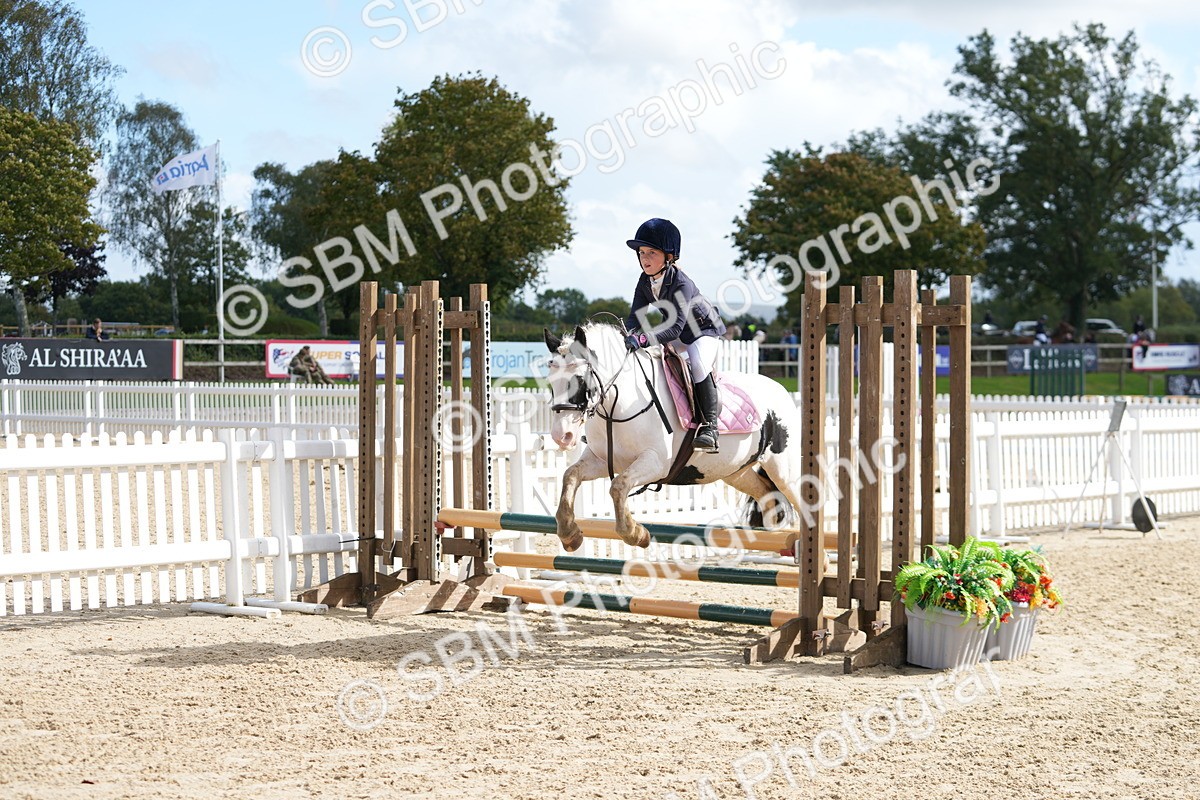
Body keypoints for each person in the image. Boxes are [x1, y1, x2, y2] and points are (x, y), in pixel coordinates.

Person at [623, 217, 726, 453]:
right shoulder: (644, 281)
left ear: (669, 256)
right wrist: (627, 336)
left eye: (651, 253)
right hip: (677, 331)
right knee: (648, 361)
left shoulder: (682, 283)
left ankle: (710, 426)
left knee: (699, 364)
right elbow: (636, 317)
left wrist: (642, 339)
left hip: (703, 331)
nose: (644, 259)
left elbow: (675, 329)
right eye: (641, 253)